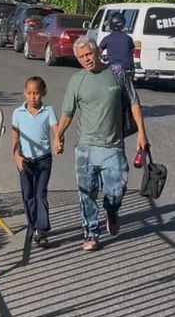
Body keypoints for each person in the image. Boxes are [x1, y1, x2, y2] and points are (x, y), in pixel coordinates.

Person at [56, 35, 149, 251]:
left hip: (112, 146)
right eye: (81, 57)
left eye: (89, 54)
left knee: (117, 188)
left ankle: (112, 209)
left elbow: (134, 103)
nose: (86, 60)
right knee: (86, 193)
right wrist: (58, 135)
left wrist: (142, 134)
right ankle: (91, 233)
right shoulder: (76, 81)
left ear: (98, 51)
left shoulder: (117, 74)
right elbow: (67, 113)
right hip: (85, 147)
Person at [12, 76, 59, 248]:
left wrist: (58, 140)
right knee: (28, 194)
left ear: (43, 93)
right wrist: (16, 155)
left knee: (40, 193)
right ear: (25, 93)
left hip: (43, 159)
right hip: (24, 161)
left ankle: (42, 229)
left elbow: (56, 129)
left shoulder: (48, 111)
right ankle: (33, 225)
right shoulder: (18, 113)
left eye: (37, 93)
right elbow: (15, 136)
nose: (33, 97)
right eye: (30, 93)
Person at [99, 13, 136, 83]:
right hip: (128, 69)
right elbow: (133, 51)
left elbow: (98, 51)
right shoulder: (128, 38)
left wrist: (103, 57)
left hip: (114, 69)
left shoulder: (107, 38)